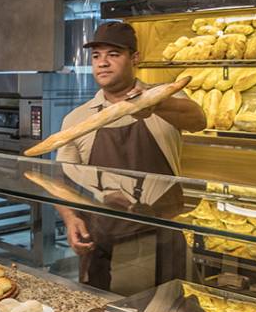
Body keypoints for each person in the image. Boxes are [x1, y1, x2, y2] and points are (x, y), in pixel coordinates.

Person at [55, 22, 206, 291]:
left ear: (134, 58)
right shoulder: (77, 119)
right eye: (96, 56)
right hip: (103, 242)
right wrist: (71, 219)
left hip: (162, 239)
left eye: (113, 54)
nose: (102, 63)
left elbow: (197, 119)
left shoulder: (165, 98)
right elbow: (60, 180)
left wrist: (153, 104)